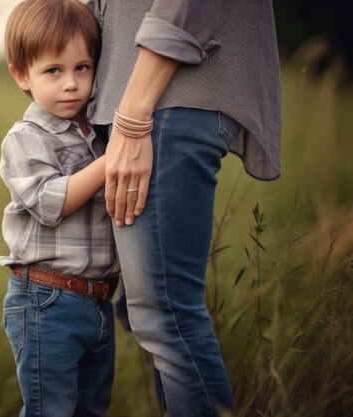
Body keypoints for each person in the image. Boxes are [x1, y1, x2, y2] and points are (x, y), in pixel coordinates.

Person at [87, 1, 281, 416]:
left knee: (165, 314)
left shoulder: (142, 112)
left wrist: (133, 116)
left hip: (159, 96)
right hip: (130, 97)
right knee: (148, 314)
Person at [0, 0, 120, 416]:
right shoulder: (25, 137)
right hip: (47, 301)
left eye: (82, 68)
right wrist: (112, 161)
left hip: (98, 302)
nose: (71, 84)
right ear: (22, 75)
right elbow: (53, 201)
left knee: (91, 410)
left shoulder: (97, 132)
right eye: (54, 70)